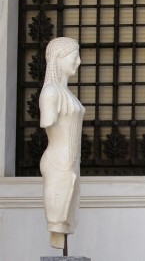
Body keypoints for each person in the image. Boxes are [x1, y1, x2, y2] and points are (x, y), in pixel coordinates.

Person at [39, 37, 85, 251]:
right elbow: (49, 124)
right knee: (58, 218)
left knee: (68, 216)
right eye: (74, 56)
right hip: (58, 162)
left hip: (71, 163)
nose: (79, 61)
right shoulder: (50, 93)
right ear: (59, 59)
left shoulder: (68, 94)